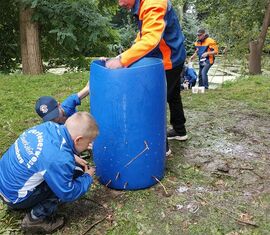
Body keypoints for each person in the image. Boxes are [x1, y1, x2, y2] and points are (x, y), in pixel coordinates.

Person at [104, 0, 188, 155]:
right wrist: (121, 55)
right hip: (176, 56)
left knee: (154, 102)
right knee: (173, 95)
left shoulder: (153, 4)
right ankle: (180, 130)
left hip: (169, 60)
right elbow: (143, 35)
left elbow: (150, 39)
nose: (120, 4)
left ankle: (162, 147)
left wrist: (122, 61)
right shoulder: (144, 5)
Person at [0, 112, 98, 233]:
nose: (89, 145)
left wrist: (72, 156)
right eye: (89, 142)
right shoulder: (60, 159)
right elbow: (68, 193)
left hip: (4, 182)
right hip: (14, 196)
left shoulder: (48, 127)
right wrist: (87, 177)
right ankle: (35, 219)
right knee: (69, 179)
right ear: (78, 140)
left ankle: (29, 201)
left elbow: (48, 150)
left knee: (70, 170)